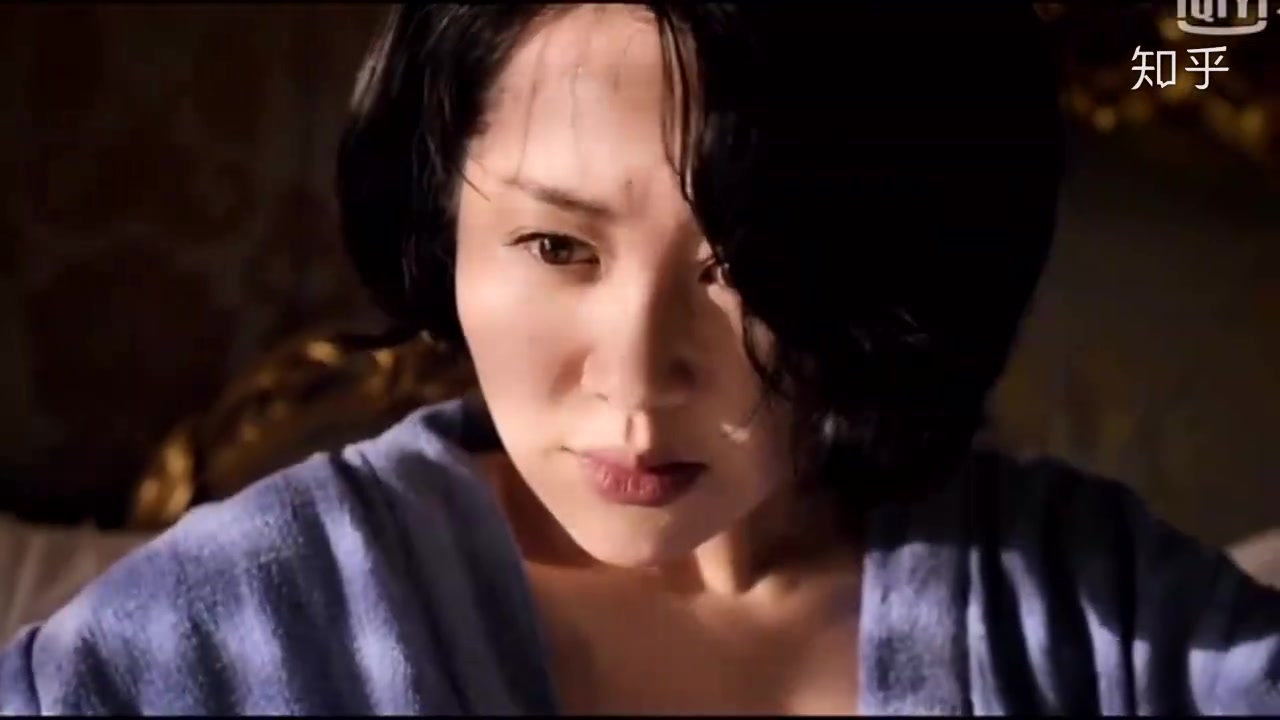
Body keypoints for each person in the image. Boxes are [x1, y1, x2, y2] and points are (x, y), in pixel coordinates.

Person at [3, 3, 1279, 715]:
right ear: (446, 223)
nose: (636, 377)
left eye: (748, 266)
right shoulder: (259, 617)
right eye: (557, 246)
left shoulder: (1092, 615)